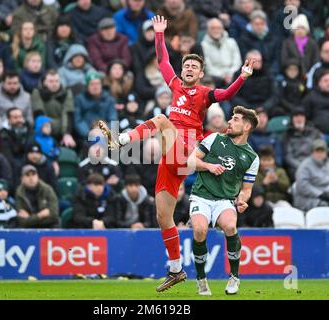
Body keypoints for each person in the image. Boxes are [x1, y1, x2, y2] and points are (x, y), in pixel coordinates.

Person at [99, 15, 254, 292]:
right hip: (172, 158)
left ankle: (120, 141)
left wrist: (242, 77)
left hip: (189, 146)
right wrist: (160, 35)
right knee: (162, 217)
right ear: (182, 71)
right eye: (187, 65)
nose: (190, 68)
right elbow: (162, 61)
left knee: (160, 119)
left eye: (195, 66)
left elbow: (228, 94)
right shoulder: (174, 85)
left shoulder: (205, 94)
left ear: (201, 73)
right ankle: (175, 269)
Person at [188, 106, 259, 296]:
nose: (229, 121)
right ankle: (201, 279)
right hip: (201, 195)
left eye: (235, 119)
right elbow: (190, 161)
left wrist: (242, 201)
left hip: (225, 200)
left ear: (246, 127)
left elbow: (246, 189)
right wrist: (208, 166)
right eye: (231, 118)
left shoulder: (252, 157)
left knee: (230, 227)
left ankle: (234, 276)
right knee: (200, 230)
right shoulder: (214, 138)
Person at [32, 69, 76, 146]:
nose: (54, 84)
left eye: (57, 81)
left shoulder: (66, 92)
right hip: (46, 129)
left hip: (62, 128)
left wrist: (66, 133)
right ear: (45, 82)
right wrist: (46, 129)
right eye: (51, 81)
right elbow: (39, 112)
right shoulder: (37, 92)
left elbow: (67, 113)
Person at [294, 139, 329, 211]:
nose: (320, 154)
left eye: (322, 151)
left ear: (326, 152)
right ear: (312, 152)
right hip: (308, 199)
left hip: (327, 197)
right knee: (325, 207)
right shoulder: (305, 166)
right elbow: (302, 185)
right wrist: (320, 194)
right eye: (317, 151)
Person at [75, 73, 118, 141]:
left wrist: (103, 131)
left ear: (101, 85)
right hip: (87, 135)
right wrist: (89, 133)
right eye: (92, 84)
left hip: (106, 134)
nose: (95, 87)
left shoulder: (109, 99)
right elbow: (78, 120)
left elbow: (113, 120)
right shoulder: (79, 99)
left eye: (98, 84)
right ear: (87, 86)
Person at [201, 18, 242, 88]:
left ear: (223, 29)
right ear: (208, 30)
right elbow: (207, 66)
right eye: (213, 28)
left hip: (232, 75)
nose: (216, 30)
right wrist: (223, 76)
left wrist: (230, 74)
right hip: (215, 78)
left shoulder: (231, 42)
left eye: (218, 28)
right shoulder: (203, 45)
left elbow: (237, 62)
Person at [238, 10, 280, 76]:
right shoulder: (244, 38)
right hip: (252, 73)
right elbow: (244, 57)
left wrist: (272, 71)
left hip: (270, 73)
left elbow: (276, 58)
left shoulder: (273, 38)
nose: (259, 26)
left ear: (266, 24)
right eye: (256, 24)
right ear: (251, 24)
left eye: (262, 24)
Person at [283, 107, 322, 179]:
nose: (299, 119)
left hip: (314, 163)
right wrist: (302, 166)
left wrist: (312, 165)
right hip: (296, 166)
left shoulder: (315, 132)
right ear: (292, 119)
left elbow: (320, 150)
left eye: (301, 116)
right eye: (296, 116)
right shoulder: (287, 135)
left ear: (305, 118)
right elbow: (288, 156)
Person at [0, 107, 34, 183]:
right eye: (15, 117)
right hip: (14, 167)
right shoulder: (3, 134)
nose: (19, 120)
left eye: (20, 117)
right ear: (9, 120)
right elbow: (8, 157)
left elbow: (32, 148)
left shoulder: (29, 131)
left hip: (29, 161)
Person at [280, 14, 319, 78]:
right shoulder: (287, 43)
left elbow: (316, 60)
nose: (300, 31)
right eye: (297, 28)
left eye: (303, 28)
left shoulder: (313, 43)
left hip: (310, 76)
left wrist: (309, 74)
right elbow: (284, 59)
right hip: (292, 75)